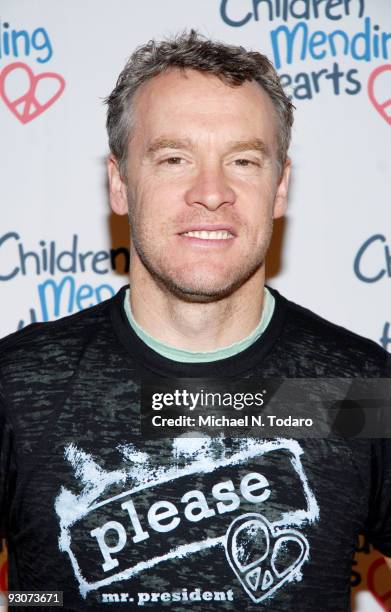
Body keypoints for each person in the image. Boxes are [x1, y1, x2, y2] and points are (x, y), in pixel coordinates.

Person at [0, 30, 390, 611]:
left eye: (243, 160)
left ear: (279, 187)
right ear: (119, 183)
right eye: (175, 158)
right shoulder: (18, 383)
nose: (212, 193)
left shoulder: (357, 390)